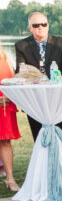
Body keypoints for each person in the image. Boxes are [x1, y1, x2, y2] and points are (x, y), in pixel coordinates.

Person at [14, 12, 62, 139]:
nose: (40, 27)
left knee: (59, 133)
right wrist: (34, 79)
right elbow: (21, 70)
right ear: (30, 28)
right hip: (34, 98)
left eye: (43, 24)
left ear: (48, 26)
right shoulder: (21, 46)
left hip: (57, 97)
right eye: (36, 25)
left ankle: (60, 157)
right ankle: (41, 158)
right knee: (39, 136)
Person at [0, 45, 21, 192]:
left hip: (5, 107)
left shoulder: (5, 57)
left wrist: (10, 94)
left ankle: (10, 179)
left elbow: (13, 81)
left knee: (5, 142)